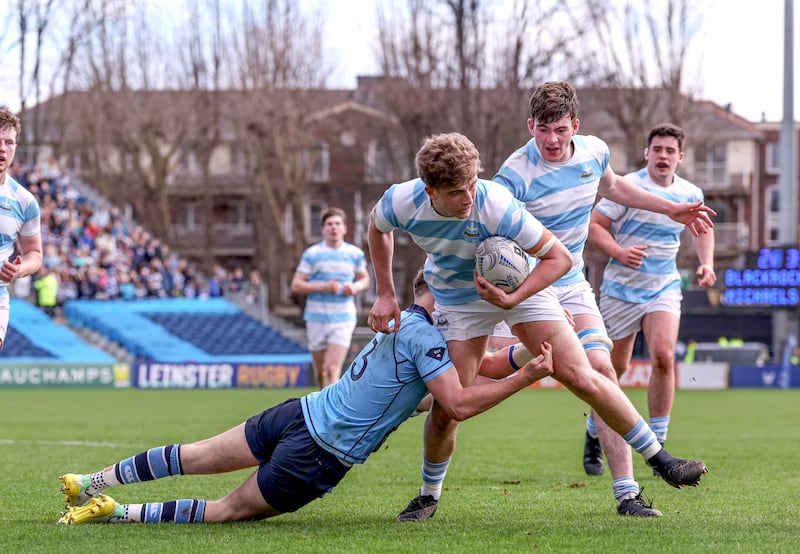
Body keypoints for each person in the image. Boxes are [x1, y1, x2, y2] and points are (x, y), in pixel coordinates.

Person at [368, 132, 707, 524]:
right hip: (459, 301)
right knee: (449, 409)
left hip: (522, 285)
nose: (469, 197)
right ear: (430, 191)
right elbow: (378, 228)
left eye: (473, 184)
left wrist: (515, 298)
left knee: (583, 374)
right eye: (458, 192)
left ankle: (661, 460)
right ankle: (428, 496)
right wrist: (385, 293)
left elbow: (559, 258)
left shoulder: (495, 203)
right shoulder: (401, 200)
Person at [56, 271, 555, 525]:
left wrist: (517, 356)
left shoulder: (404, 321)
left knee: (197, 452)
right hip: (318, 455)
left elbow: (478, 363)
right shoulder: (428, 341)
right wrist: (528, 373)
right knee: (226, 510)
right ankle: (116, 511)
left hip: (300, 411)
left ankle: (90, 480)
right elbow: (459, 404)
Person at [486, 82, 716, 516]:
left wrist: (668, 208)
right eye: (542, 131)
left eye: (559, 129)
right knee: (471, 380)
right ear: (529, 126)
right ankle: (406, 402)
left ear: (575, 125)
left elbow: (614, 189)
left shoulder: (593, 152)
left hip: (572, 283)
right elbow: (488, 229)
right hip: (530, 288)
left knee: (602, 369)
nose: (551, 141)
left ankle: (627, 494)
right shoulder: (514, 175)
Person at [588, 123, 716, 456]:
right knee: (613, 368)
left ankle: (658, 439)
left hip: (664, 286)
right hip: (621, 289)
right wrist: (618, 252)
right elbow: (595, 226)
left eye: (670, 151)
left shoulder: (689, 193)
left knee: (663, 356)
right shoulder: (627, 187)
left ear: (680, 157)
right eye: (657, 149)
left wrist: (707, 263)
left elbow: (702, 229)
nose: (663, 156)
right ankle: (593, 429)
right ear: (647, 153)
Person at [291, 207, 370, 388]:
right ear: (323, 229)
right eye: (329, 224)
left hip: (343, 318)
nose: (333, 228)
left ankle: (331, 414)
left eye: (337, 224)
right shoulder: (312, 254)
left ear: (344, 228)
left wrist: (355, 287)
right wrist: (324, 287)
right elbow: (296, 285)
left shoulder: (354, 253)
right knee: (320, 372)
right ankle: (323, 404)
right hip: (316, 317)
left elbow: (364, 278)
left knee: (332, 368)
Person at [0, 107, 43, 348]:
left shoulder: (25, 201)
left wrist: (18, 270)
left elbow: (34, 254)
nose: (2, 149)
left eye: (9, 142)